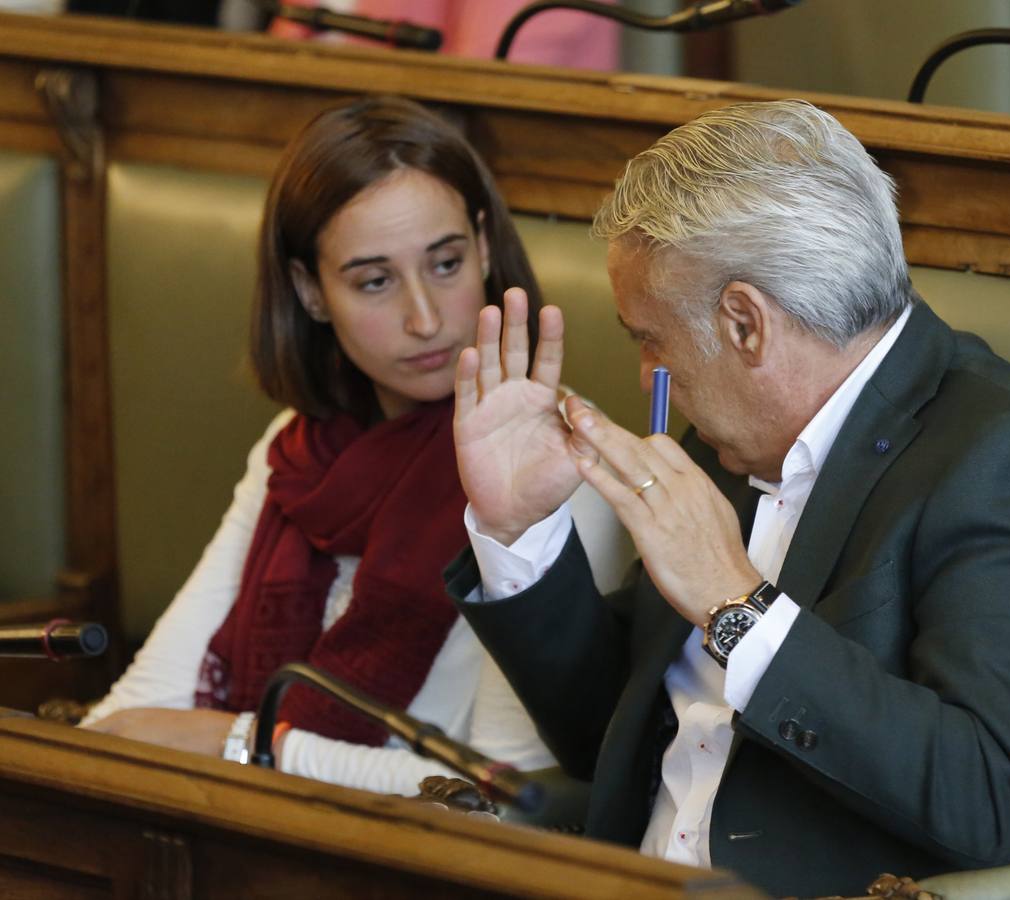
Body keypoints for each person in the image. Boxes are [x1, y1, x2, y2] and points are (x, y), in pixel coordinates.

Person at [444, 99, 1010, 896]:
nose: (647, 378)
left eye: (651, 340)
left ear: (745, 323)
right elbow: (605, 739)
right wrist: (519, 531)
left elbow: (986, 797)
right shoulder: (725, 444)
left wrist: (735, 606)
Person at [79, 95, 622, 796]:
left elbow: (508, 799)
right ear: (309, 291)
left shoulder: (561, 461)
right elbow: (131, 717)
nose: (424, 318)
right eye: (374, 281)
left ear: (485, 246)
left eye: (446, 264)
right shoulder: (298, 450)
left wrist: (246, 745)